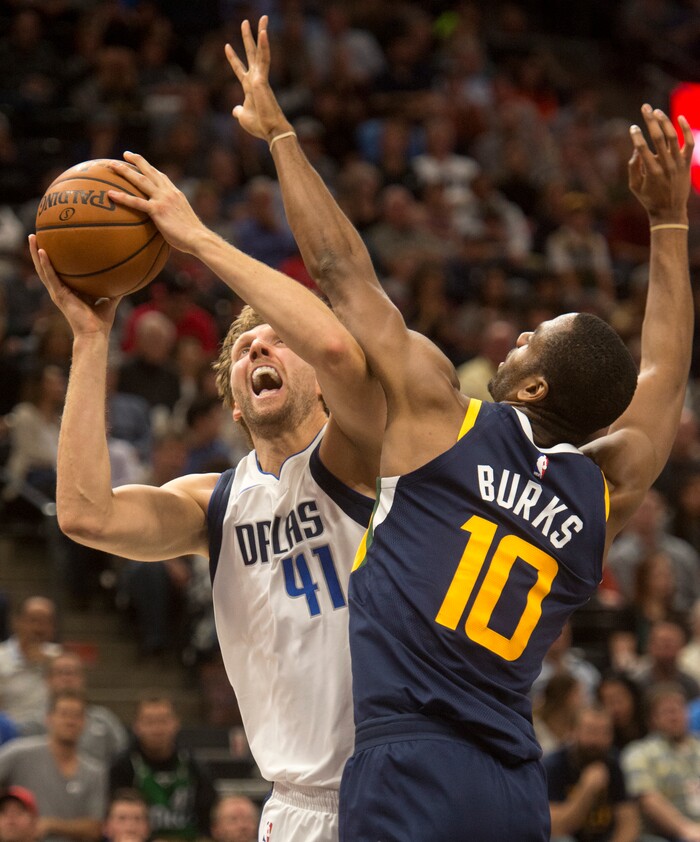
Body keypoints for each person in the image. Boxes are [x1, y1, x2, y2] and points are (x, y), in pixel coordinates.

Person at [223, 18, 694, 840]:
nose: (511, 340)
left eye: (526, 340)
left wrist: (281, 134)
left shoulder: (445, 420)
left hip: (412, 764)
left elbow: (341, 274)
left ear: (535, 381)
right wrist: (669, 227)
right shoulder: (602, 488)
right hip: (513, 781)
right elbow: (662, 380)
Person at [28, 65, 384, 842]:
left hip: (396, 787)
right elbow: (86, 515)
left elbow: (337, 337)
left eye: (278, 341)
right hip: (293, 808)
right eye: (246, 346)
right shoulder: (214, 502)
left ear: (317, 378)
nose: (261, 346)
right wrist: (92, 339)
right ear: (230, 395)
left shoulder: (362, 453)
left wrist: (192, 237)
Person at [0, 690, 105, 842]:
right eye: (64, 714)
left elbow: (95, 828)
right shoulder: (18, 753)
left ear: (85, 722)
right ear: (48, 718)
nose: (70, 721)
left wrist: (50, 825)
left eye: (76, 715)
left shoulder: (95, 771)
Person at [109, 695, 216, 840]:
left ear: (175, 723)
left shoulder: (194, 765)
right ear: (137, 726)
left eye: (163, 721)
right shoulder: (122, 767)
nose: (157, 728)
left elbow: (208, 815)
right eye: (150, 722)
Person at [544, 705, 639, 842]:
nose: (597, 740)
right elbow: (555, 828)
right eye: (591, 731)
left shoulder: (613, 762)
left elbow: (628, 822)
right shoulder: (553, 766)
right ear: (573, 731)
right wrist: (587, 790)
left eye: (605, 732)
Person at [622, 683, 700, 841]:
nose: (674, 716)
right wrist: (685, 829)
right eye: (667, 712)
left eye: (679, 709)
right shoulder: (639, 753)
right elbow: (648, 800)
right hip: (666, 834)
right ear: (652, 719)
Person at [21, 652, 128, 766]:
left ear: (83, 679)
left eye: (72, 673)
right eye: (60, 673)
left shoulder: (104, 720)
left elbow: (123, 755)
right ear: (48, 680)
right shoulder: (31, 724)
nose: (67, 678)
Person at [0, 597, 61, 735]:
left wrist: (51, 667)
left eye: (46, 622)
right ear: (17, 623)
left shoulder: (59, 658)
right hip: (9, 738)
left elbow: (72, 698)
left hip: (50, 737)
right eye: (33, 620)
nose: (39, 628)